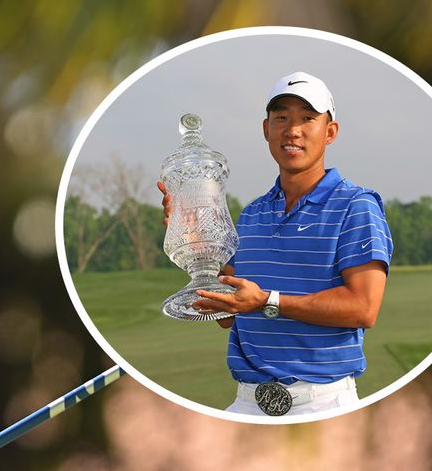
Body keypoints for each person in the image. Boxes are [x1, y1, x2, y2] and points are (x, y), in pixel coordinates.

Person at [158, 72, 393, 417]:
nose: (292, 130)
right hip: (246, 402)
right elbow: (230, 314)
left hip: (322, 402)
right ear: (266, 129)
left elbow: (363, 307)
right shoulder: (252, 214)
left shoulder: (357, 205)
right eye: (281, 117)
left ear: (330, 132)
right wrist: (195, 237)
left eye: (307, 119)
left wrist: (268, 301)